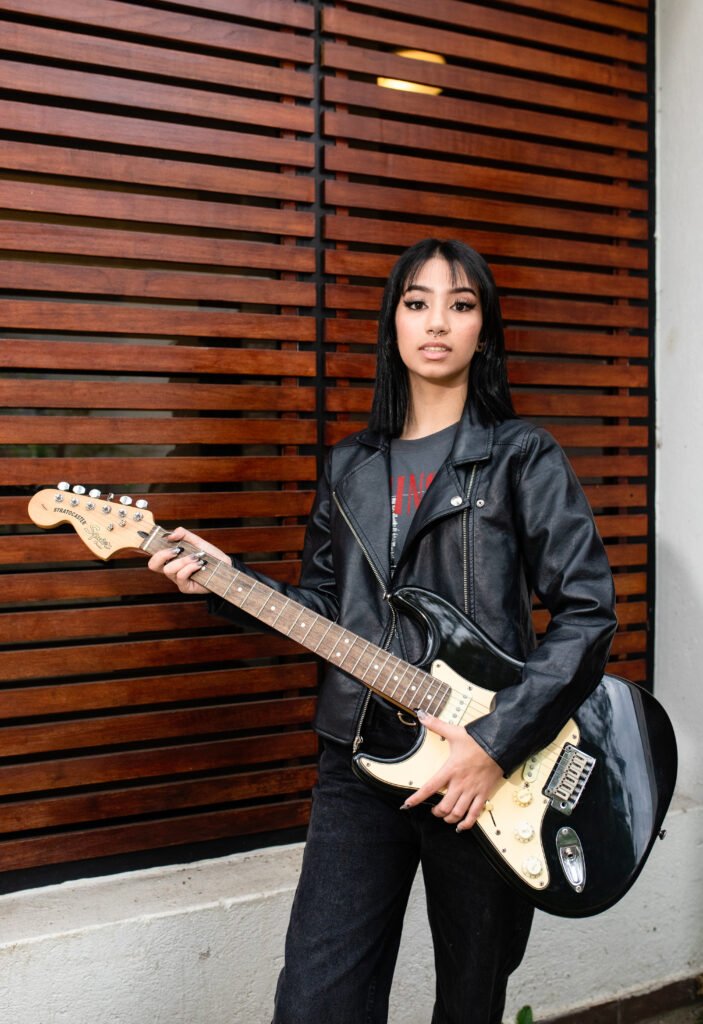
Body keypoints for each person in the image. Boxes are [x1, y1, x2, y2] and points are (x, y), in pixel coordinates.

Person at [148, 238, 617, 1024]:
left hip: (482, 771)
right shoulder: (349, 467)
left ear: (483, 331)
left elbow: (587, 612)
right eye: (416, 302)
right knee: (315, 1001)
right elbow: (327, 611)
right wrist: (227, 580)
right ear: (392, 324)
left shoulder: (520, 456)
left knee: (467, 1004)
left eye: (459, 305)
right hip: (358, 761)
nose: (436, 322)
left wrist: (494, 743)